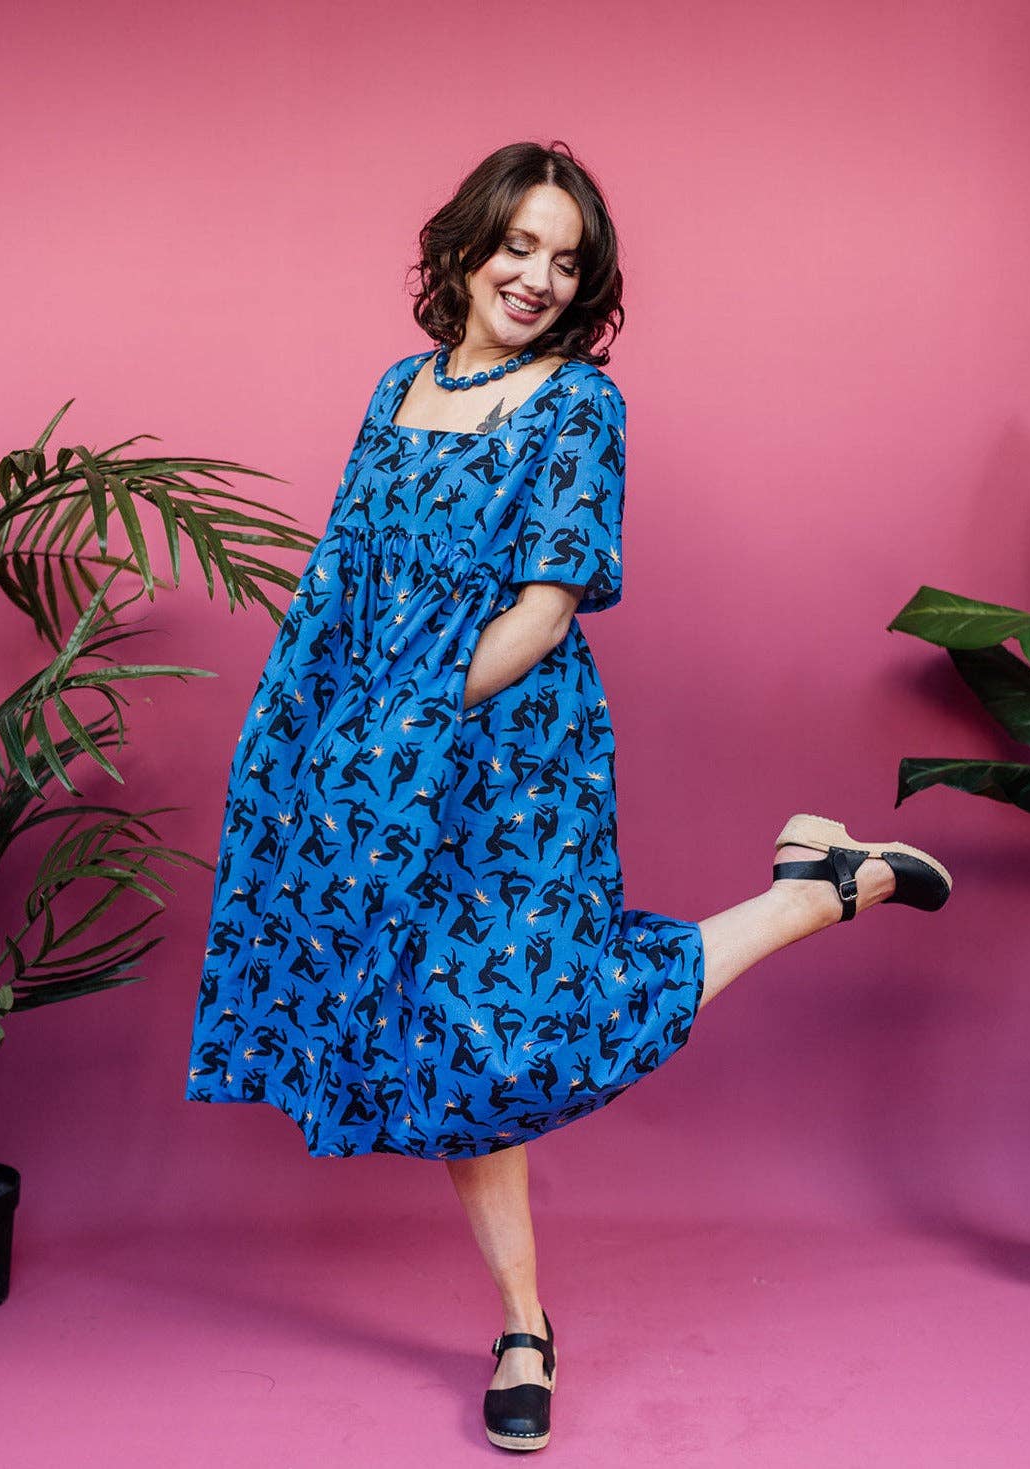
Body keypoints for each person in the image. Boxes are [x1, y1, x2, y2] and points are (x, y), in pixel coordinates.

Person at [183, 139, 952, 1453]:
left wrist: (394, 725)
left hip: (509, 763)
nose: (537, 276)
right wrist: (306, 738)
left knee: (514, 1032)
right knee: (445, 1035)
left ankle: (813, 896)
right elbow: (343, 581)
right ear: (465, 247)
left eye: (565, 257)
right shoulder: (397, 387)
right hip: (379, 759)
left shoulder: (581, 405)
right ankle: (525, 1326)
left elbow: (542, 613)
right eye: (517, 245)